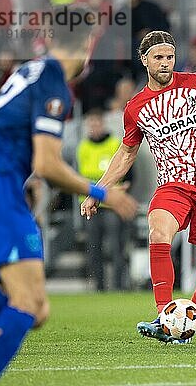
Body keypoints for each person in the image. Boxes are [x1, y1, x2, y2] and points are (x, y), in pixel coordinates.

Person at [0, 5, 137, 385]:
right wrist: (105, 193)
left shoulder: (29, 70)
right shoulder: (54, 85)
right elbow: (48, 164)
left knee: (35, 311)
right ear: (90, 42)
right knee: (28, 305)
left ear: (48, 37)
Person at [80, 30, 196, 344]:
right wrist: (99, 190)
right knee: (159, 231)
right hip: (173, 186)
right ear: (144, 60)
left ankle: (184, 319)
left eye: (169, 57)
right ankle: (165, 315)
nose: (165, 63)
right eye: (158, 58)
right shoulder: (136, 108)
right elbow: (126, 153)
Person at [77, 109, 131, 291]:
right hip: (89, 205)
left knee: (116, 247)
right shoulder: (83, 147)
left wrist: (123, 189)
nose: (95, 127)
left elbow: (129, 171)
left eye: (97, 123)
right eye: (91, 124)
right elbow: (79, 177)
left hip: (112, 205)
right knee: (93, 249)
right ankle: (99, 287)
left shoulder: (115, 144)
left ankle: (118, 286)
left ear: (103, 124)